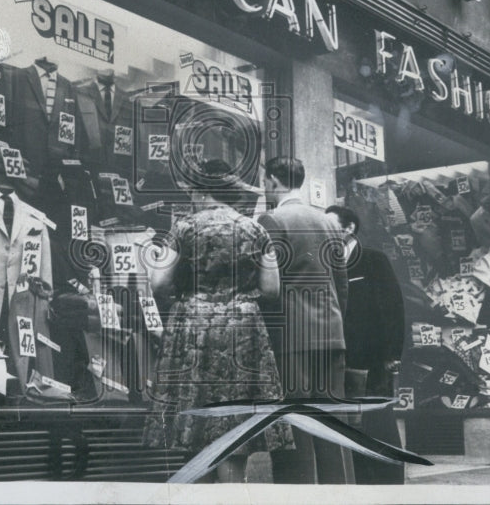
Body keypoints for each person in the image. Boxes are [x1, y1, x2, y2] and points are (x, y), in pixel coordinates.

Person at [142, 159, 292, 483]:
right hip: (243, 327)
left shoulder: (183, 227)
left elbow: (158, 283)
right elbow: (271, 289)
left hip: (193, 324)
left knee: (193, 427)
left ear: (199, 191)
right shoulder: (256, 228)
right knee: (234, 428)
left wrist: (186, 300)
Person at [258, 157, 349, 485]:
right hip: (331, 333)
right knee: (329, 425)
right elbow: (342, 283)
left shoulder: (272, 220)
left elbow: (269, 285)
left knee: (293, 426)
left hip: (293, 337)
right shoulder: (328, 220)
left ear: (271, 181)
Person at [325, 204, 406, 484]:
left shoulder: (373, 259)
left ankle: (391, 483)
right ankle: (360, 481)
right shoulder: (326, 264)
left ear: (349, 228)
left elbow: (393, 308)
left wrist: (393, 352)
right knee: (351, 421)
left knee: (379, 420)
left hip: (373, 357)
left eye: (331, 225)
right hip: (341, 356)